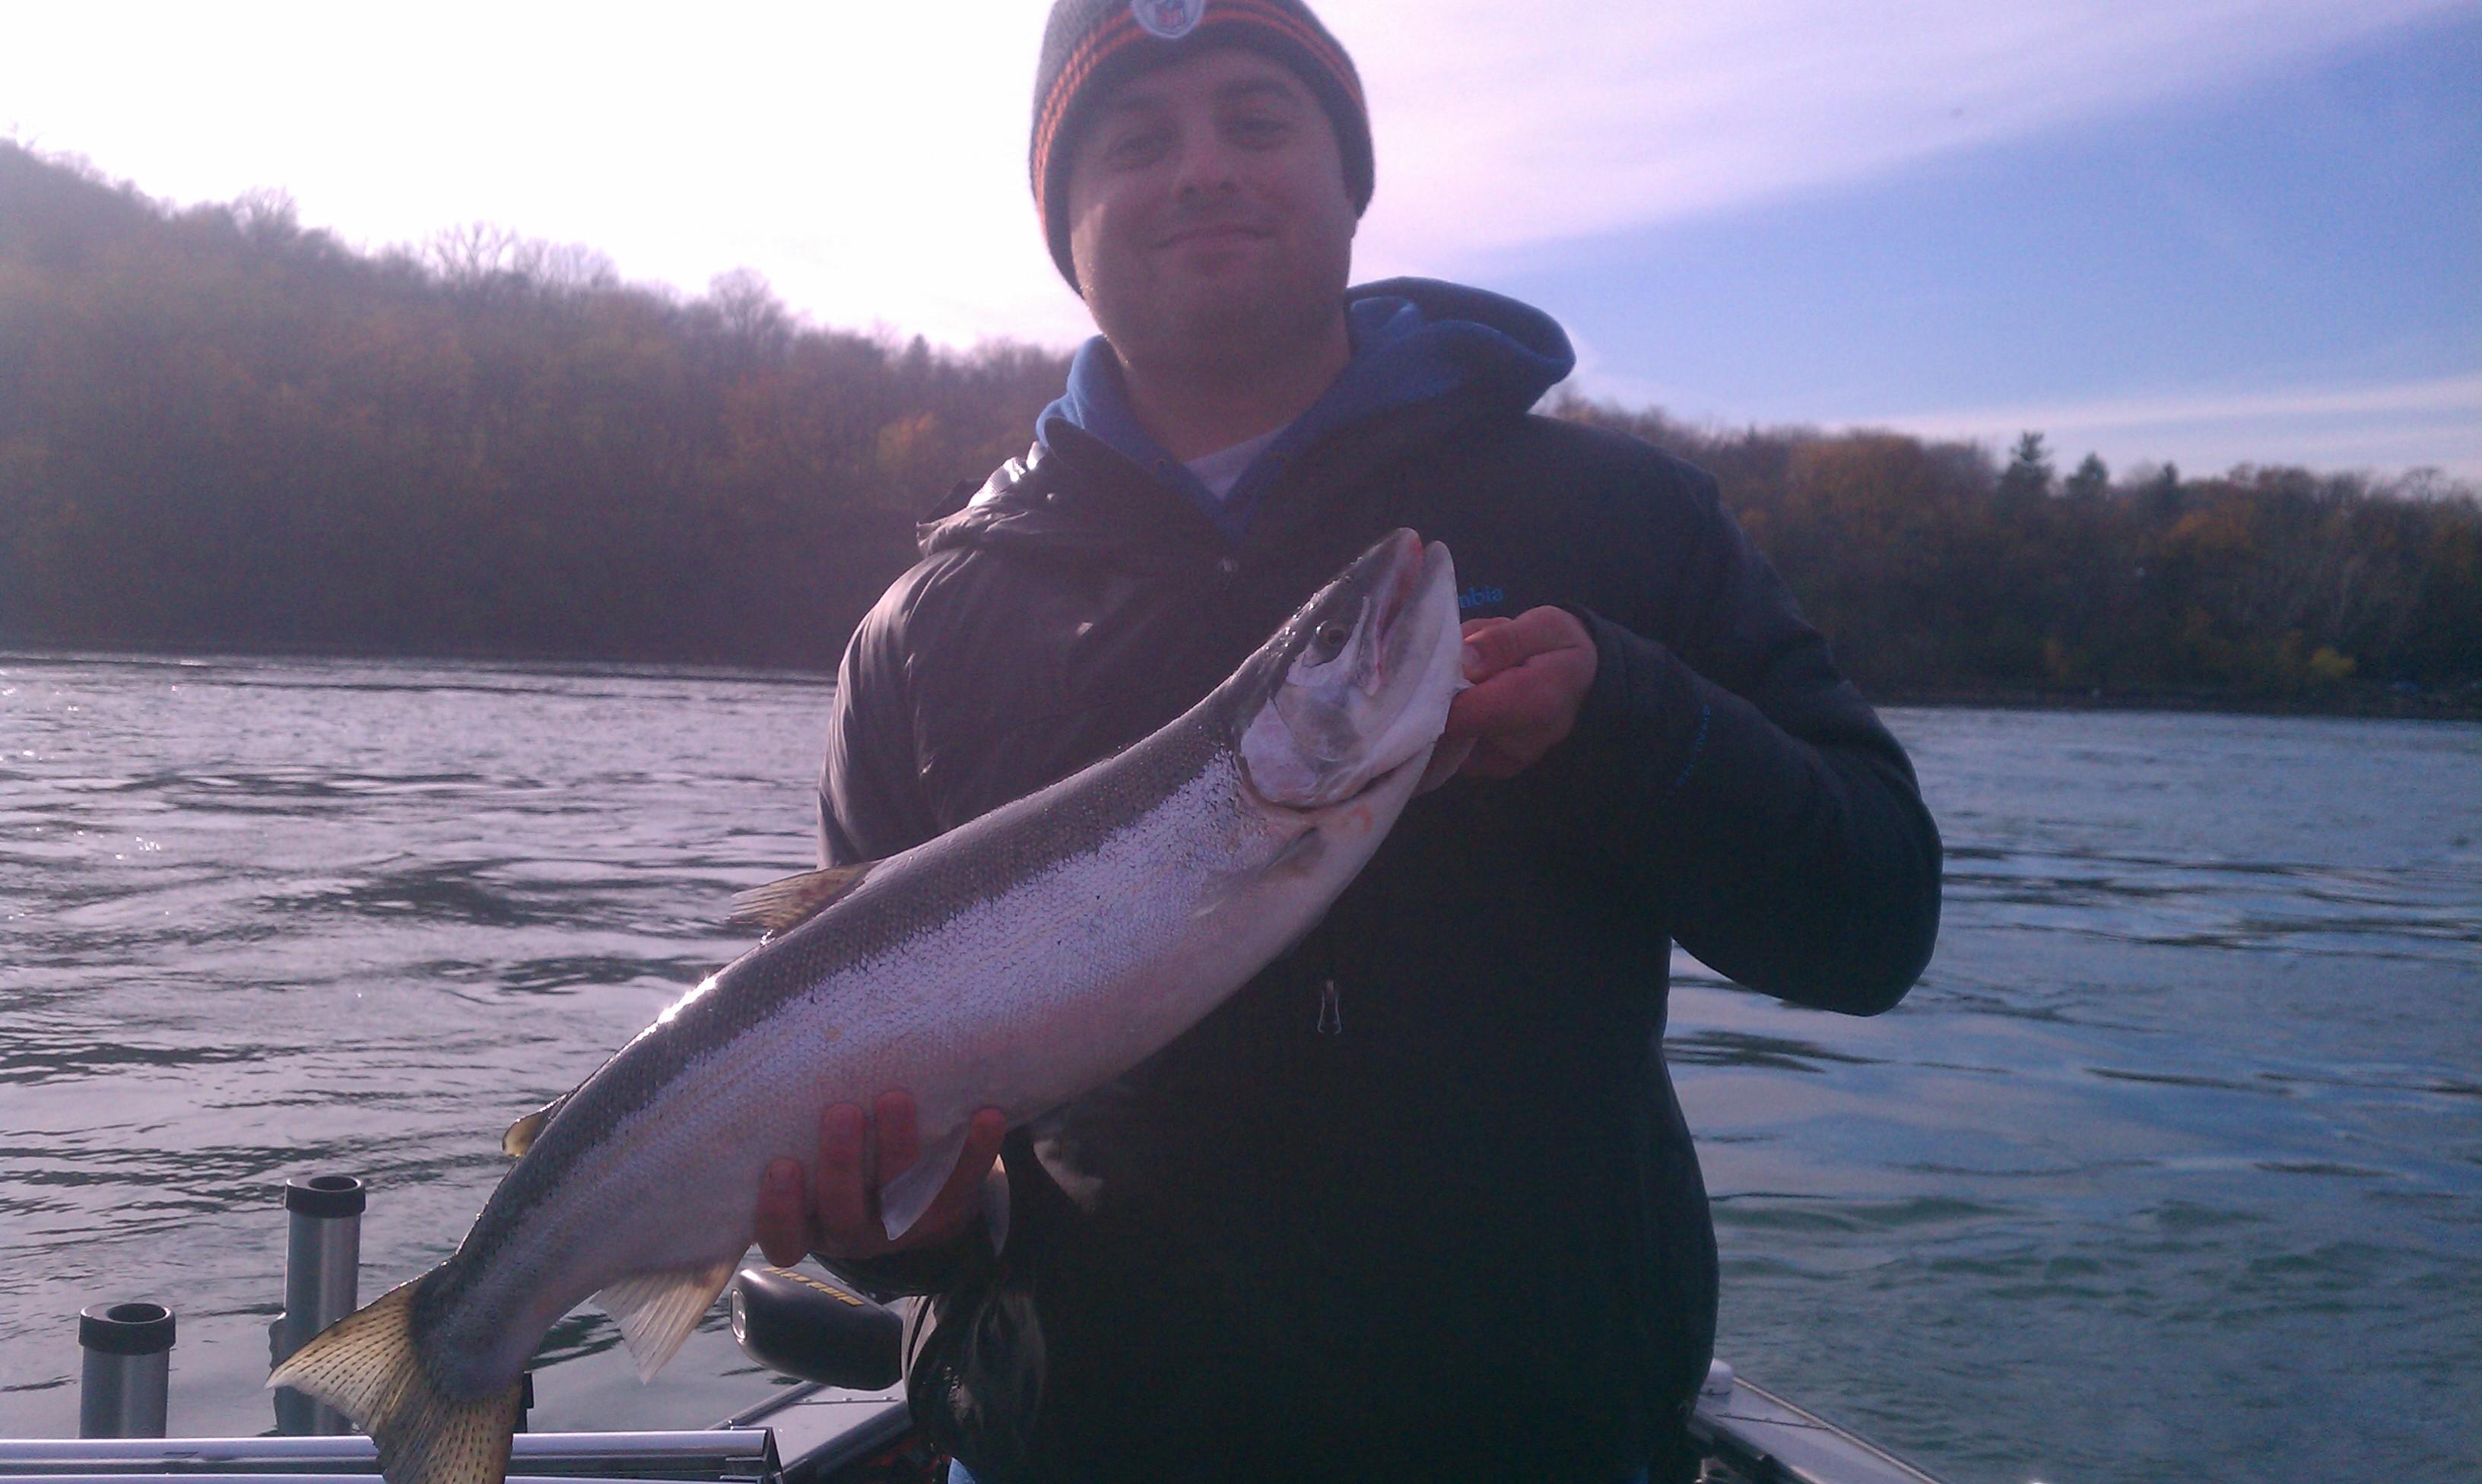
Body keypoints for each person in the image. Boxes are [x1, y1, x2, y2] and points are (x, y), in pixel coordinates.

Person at [751, 2, 1943, 1479]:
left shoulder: (1623, 519)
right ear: (1066, 223)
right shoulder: (925, 631)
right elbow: (906, 1193)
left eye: (1259, 120)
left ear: (1349, 177)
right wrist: (903, 1234)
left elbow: (1877, 919)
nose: (1203, 169)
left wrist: (1623, 719)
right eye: (1135, 140)